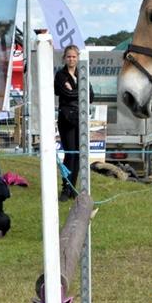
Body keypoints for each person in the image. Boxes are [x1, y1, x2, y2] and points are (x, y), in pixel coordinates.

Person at [55, 45, 91, 200]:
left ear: (78, 58)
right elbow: (65, 93)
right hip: (66, 118)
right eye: (69, 56)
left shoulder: (82, 73)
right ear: (65, 58)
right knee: (69, 154)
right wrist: (78, 91)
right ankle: (65, 187)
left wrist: (74, 91)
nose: (71, 59)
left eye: (74, 56)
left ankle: (73, 188)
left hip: (80, 118)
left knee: (78, 154)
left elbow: (90, 94)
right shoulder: (60, 75)